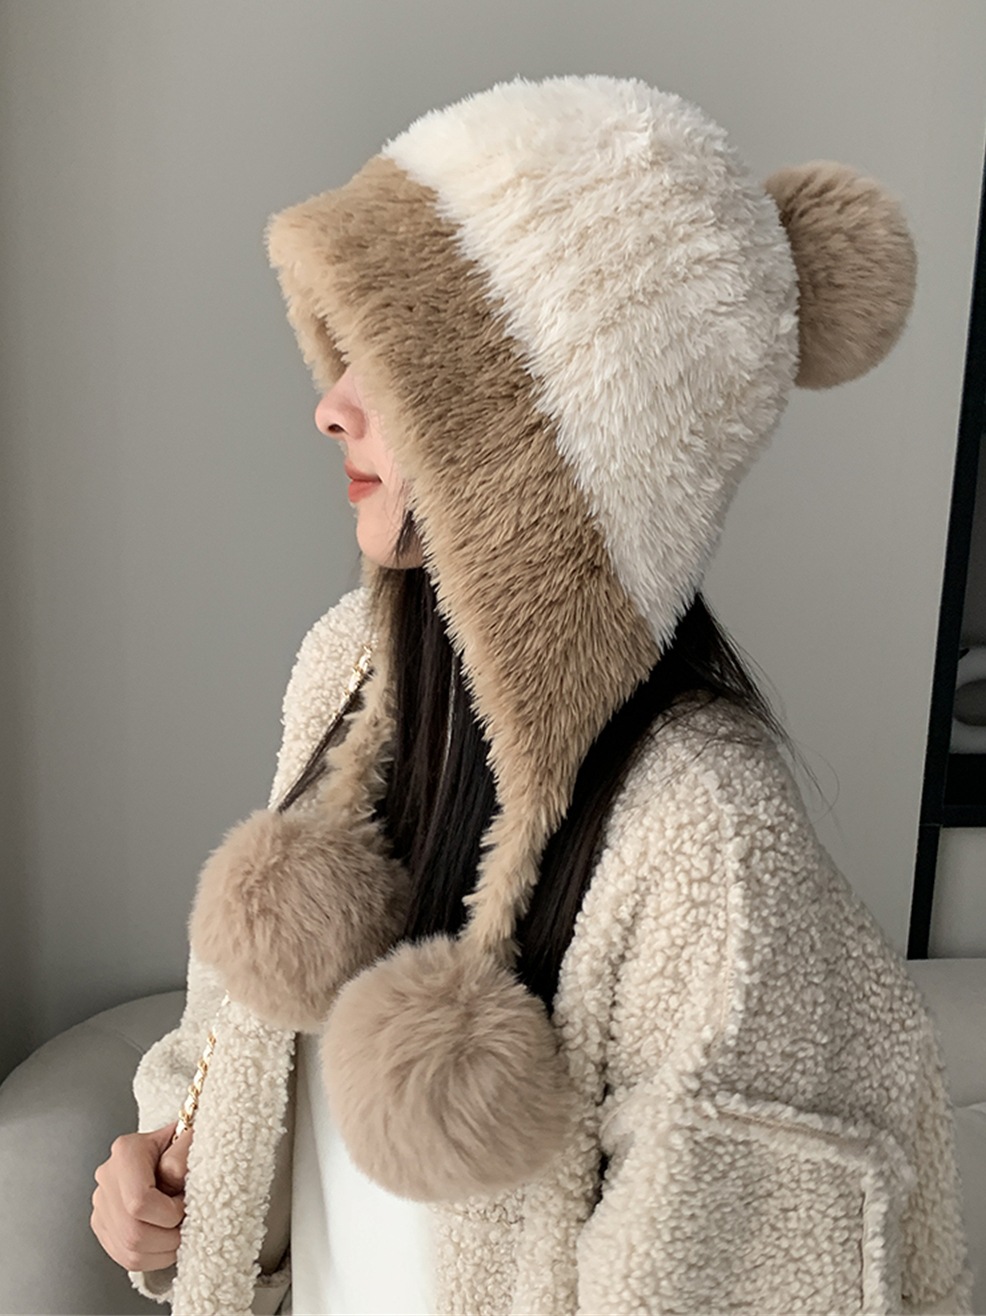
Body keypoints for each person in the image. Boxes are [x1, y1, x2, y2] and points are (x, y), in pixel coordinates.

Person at [90, 74, 974, 1315]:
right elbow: (233, 1080)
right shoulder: (351, 670)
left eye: (398, 358)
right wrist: (168, 1187)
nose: (330, 404)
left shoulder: (703, 840)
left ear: (549, 436)